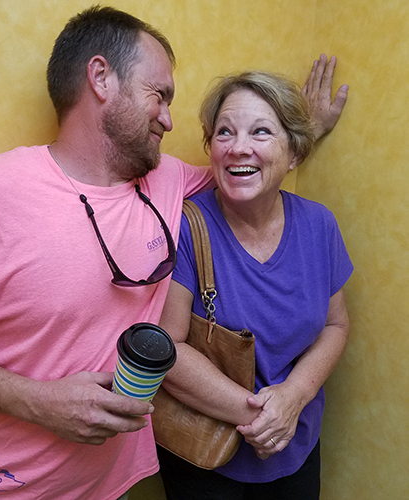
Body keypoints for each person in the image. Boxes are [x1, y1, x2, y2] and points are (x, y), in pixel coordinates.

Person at [0, 6, 347, 500]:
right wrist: (35, 401)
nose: (168, 118)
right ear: (101, 78)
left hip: (107, 487)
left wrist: (302, 128)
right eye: (158, 95)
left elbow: (250, 170)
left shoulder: (167, 181)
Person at [157, 70, 353, 500]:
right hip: (205, 456)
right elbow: (168, 349)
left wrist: (295, 397)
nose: (237, 147)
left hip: (297, 446)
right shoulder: (188, 227)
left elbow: (336, 325)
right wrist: (264, 417)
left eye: (261, 131)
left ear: (296, 153)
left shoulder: (319, 224)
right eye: (224, 132)